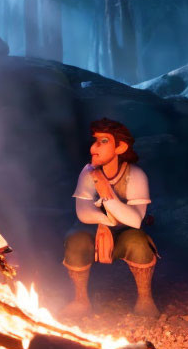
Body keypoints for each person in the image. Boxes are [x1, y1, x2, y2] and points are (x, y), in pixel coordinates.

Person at [63, 118, 158, 317]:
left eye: (103, 141)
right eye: (95, 141)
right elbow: (83, 211)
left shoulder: (136, 175)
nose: (94, 148)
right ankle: (80, 300)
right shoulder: (88, 173)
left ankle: (145, 299)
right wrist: (106, 221)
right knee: (76, 240)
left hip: (125, 231)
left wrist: (107, 195)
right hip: (94, 228)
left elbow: (135, 220)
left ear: (120, 147)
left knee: (139, 243)